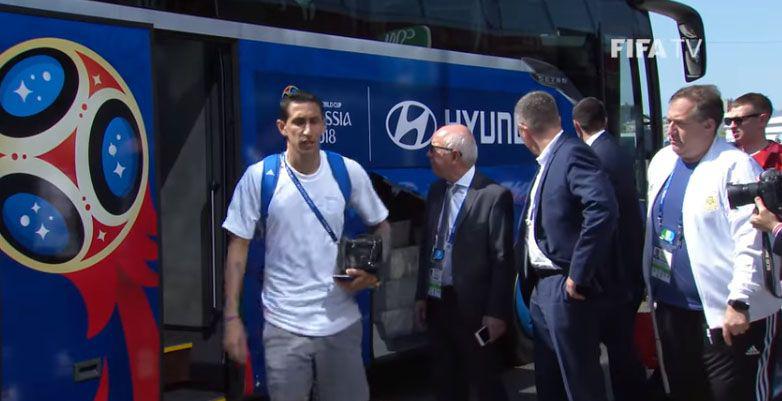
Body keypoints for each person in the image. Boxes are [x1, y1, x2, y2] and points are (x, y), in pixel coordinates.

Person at [221, 90, 390, 401]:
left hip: (341, 326)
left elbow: (381, 224)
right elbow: (238, 248)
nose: (308, 131)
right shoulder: (260, 177)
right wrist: (231, 318)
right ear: (282, 127)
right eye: (299, 122)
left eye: (314, 122)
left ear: (324, 125)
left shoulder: (346, 171)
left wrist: (373, 271)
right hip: (284, 329)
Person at [644, 84, 781, 401]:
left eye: (679, 124)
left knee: (731, 394)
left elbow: (751, 241)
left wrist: (739, 302)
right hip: (673, 310)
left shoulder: (736, 167)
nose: (670, 132)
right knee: (684, 390)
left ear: (709, 125)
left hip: (727, 317)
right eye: (668, 122)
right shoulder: (663, 161)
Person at [514, 91, 618, 401]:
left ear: (524, 130)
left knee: (578, 381)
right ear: (558, 119)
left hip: (563, 285)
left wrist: (579, 273)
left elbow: (602, 208)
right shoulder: (551, 159)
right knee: (551, 379)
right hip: (542, 288)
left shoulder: (572, 153)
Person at [414, 124, 515, 401]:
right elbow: (428, 247)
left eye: (434, 150)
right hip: (439, 303)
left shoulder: (493, 196)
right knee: (445, 378)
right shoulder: (436, 191)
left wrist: (496, 312)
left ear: (455, 155)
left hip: (474, 309)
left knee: (483, 378)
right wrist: (422, 294)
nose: (428, 154)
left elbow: (502, 260)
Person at [573, 97, 647, 401]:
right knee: (621, 345)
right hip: (628, 264)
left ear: (577, 127)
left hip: (612, 272)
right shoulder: (616, 150)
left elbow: (600, 218)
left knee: (618, 347)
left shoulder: (593, 158)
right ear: (606, 120)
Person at [725, 92, 782, 170]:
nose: (732, 126)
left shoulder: (778, 156)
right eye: (729, 121)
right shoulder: (723, 155)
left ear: (762, 120)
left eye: (738, 120)